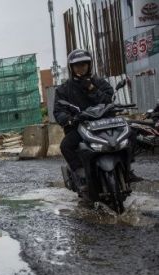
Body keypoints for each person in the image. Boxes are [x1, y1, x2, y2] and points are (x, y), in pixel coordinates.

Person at [54, 49, 143, 183]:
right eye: (77, 65)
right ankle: (80, 173)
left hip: (105, 122)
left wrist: (92, 88)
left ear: (89, 65)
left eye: (84, 64)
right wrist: (68, 119)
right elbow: (59, 110)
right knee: (66, 146)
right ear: (71, 67)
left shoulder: (99, 82)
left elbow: (108, 99)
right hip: (81, 126)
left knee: (131, 133)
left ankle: (127, 168)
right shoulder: (64, 89)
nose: (81, 68)